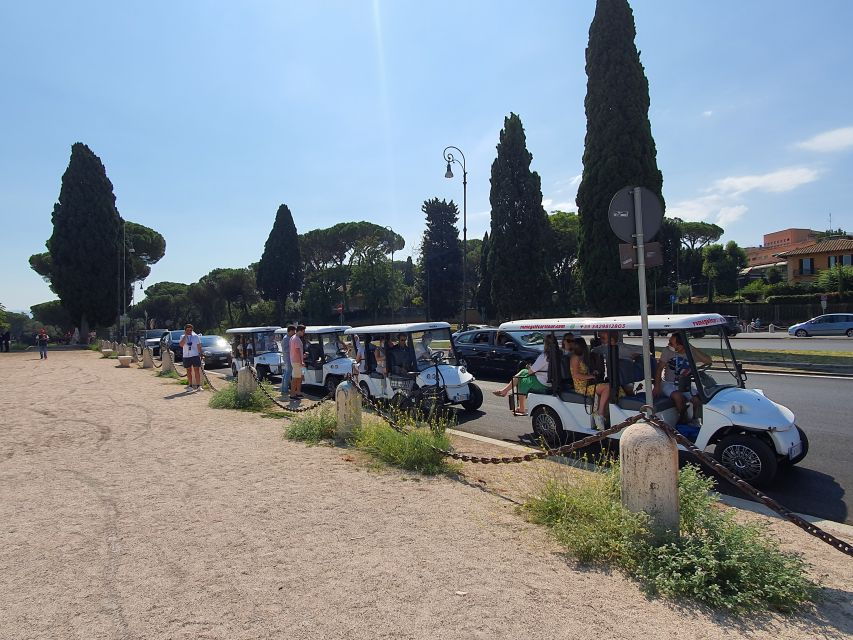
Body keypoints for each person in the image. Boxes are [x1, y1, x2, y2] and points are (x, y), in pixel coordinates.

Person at [653, 333, 712, 425]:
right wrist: (657, 386)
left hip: (685, 384)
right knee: (678, 397)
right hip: (669, 383)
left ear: (681, 345)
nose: (669, 345)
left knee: (697, 400)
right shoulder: (667, 351)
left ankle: (694, 420)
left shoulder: (690, 352)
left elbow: (708, 360)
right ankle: (683, 422)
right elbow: (659, 368)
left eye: (671, 343)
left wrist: (691, 347)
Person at [493, 334, 557, 416]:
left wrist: (529, 367)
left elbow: (531, 372)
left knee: (522, 379)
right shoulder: (558, 354)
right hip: (552, 380)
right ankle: (505, 391)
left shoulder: (544, 356)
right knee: (523, 372)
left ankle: (521, 407)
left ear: (545, 344)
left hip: (543, 382)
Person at [569, 336, 612, 430]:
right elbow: (576, 375)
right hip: (581, 388)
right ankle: (600, 414)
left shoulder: (581, 357)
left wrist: (593, 373)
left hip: (587, 385)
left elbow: (584, 372)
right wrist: (590, 376)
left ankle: (605, 414)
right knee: (607, 387)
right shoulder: (575, 358)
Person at [179, 324, 204, 391]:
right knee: (188, 370)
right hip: (186, 356)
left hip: (195, 355)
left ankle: (198, 386)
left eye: (190, 330)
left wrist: (201, 354)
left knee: (196, 370)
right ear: (185, 330)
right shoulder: (182, 336)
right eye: (187, 330)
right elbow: (181, 345)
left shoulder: (196, 336)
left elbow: (199, 346)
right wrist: (185, 336)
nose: (189, 331)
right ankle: (190, 385)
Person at [289, 325, 306, 399]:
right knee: (295, 378)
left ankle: (298, 392)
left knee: (299, 377)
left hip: (295, 360)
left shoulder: (293, 338)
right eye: (303, 331)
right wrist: (301, 361)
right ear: (300, 331)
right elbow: (298, 351)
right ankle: (292, 394)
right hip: (297, 361)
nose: (304, 333)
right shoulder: (296, 339)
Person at [279, 325, 295, 397]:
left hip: (288, 358)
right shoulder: (286, 339)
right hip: (288, 358)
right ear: (290, 331)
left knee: (286, 374)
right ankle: (285, 389)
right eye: (293, 331)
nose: (294, 333)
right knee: (287, 374)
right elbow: (285, 349)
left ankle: (283, 389)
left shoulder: (288, 338)